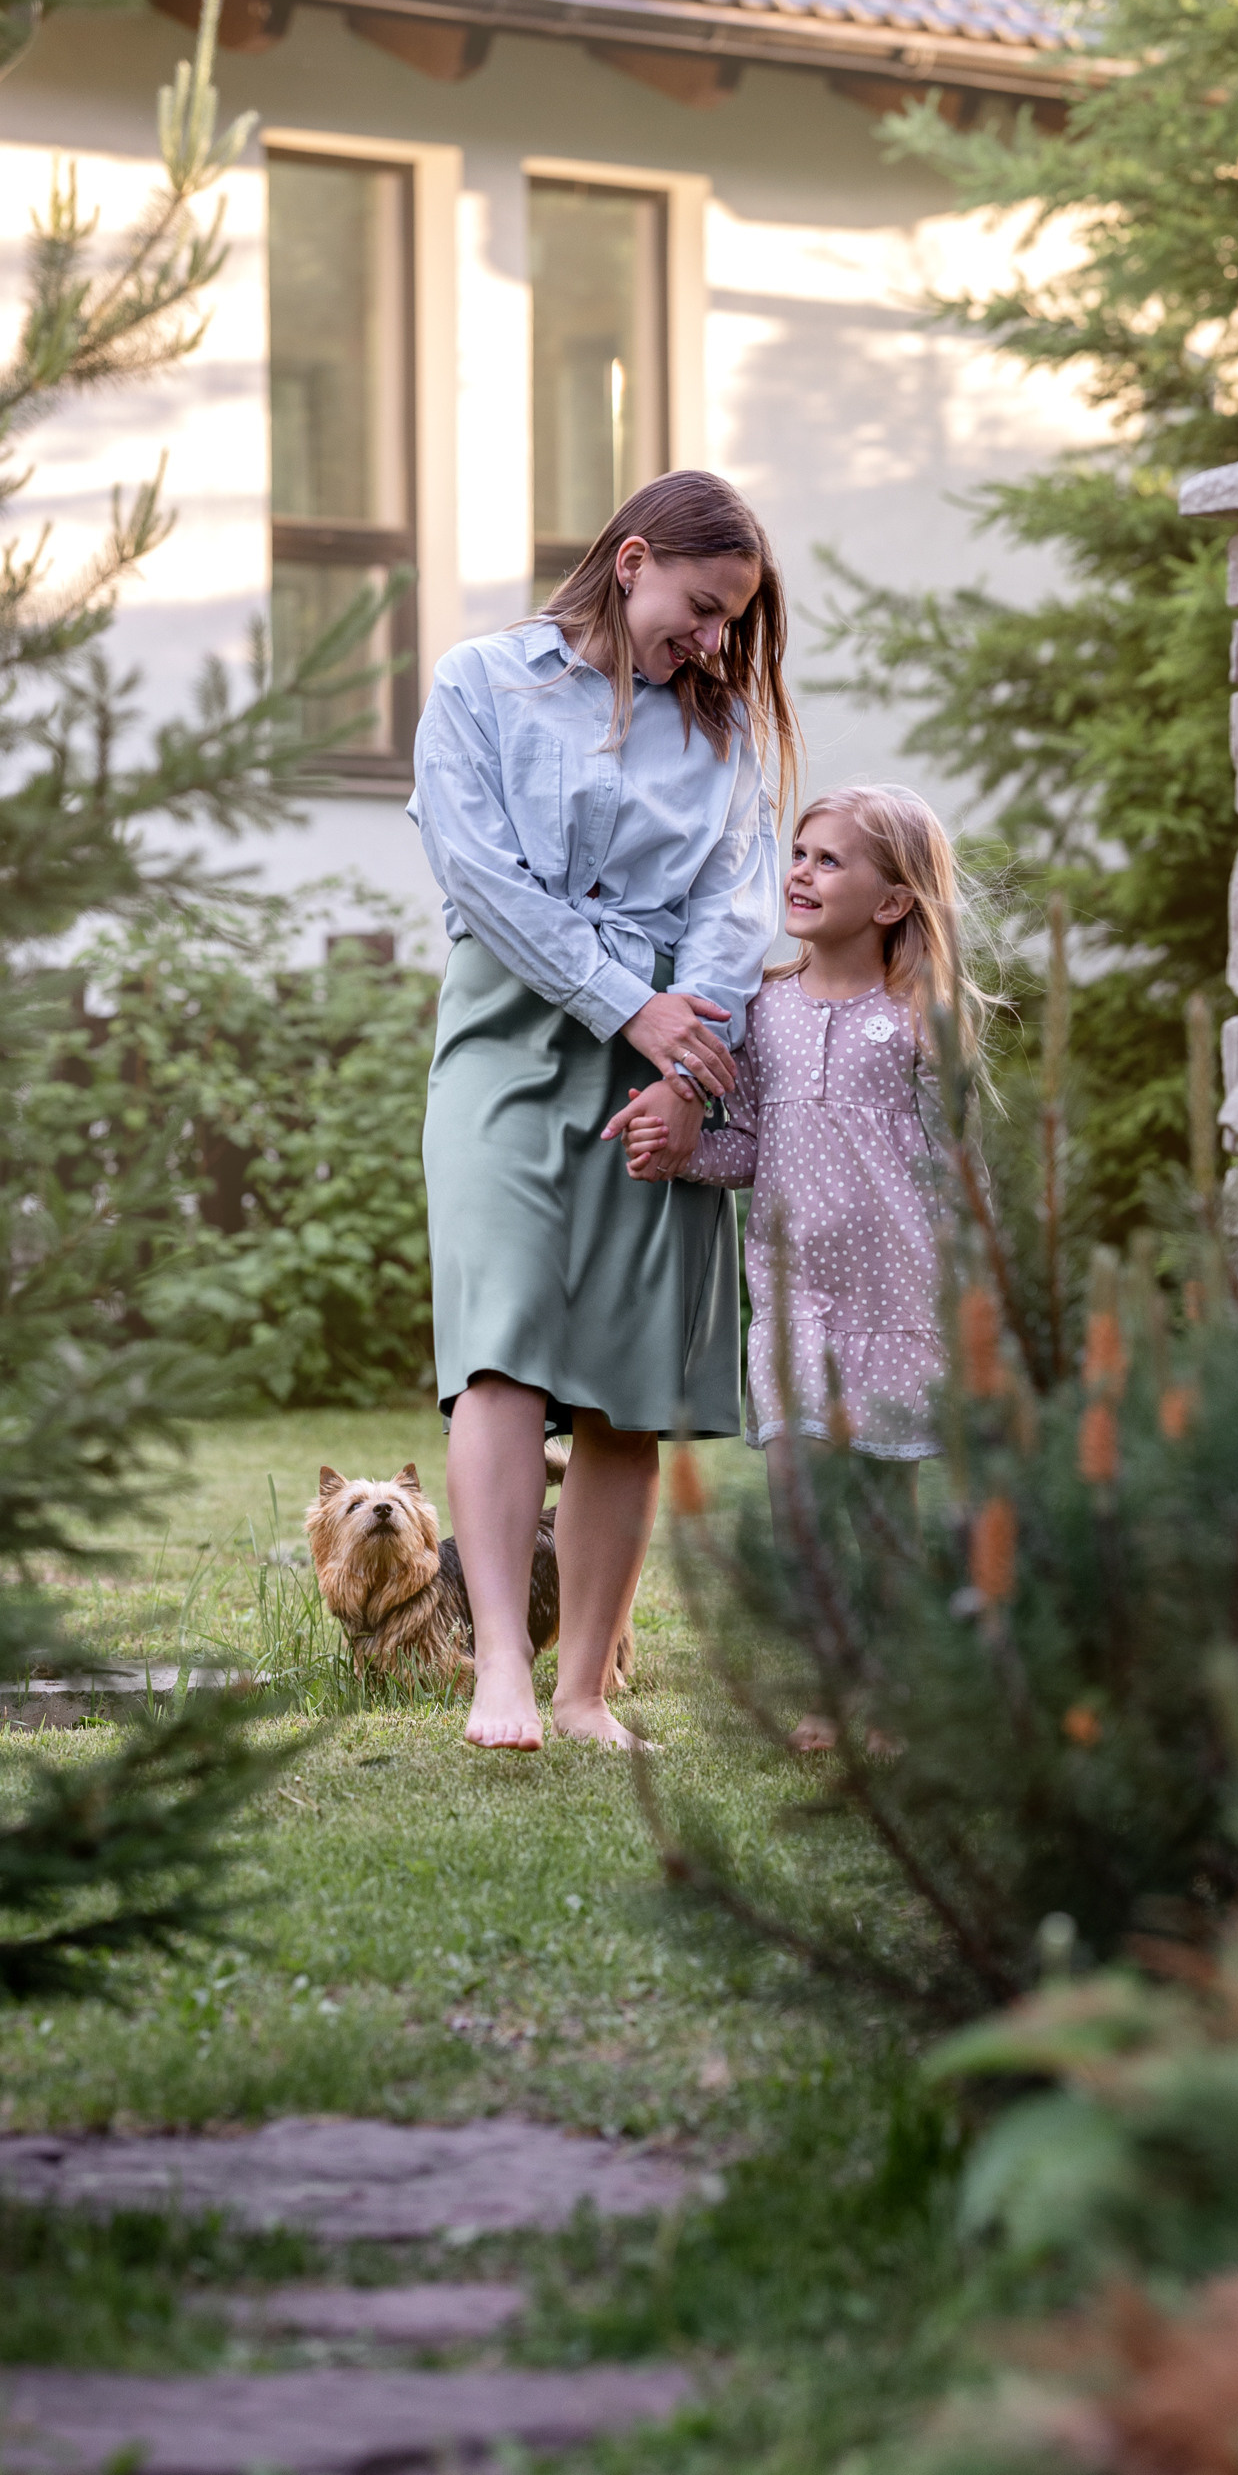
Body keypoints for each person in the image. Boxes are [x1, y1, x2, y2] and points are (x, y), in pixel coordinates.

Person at [409, 470, 798, 1751]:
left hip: (673, 1044)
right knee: (501, 1335)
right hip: (512, 1030)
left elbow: (739, 909)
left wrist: (686, 1071)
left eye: (733, 618)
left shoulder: (726, 730)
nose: (717, 641)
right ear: (630, 561)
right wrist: (622, 1006)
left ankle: (581, 1691)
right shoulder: (479, 682)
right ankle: (499, 1681)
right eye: (701, 606)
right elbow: (476, 868)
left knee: (632, 1373)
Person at [607, 784, 992, 1749]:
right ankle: (833, 1687)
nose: (802, 873)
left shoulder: (919, 1020)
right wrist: (678, 1153)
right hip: (791, 1299)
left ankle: (901, 1694)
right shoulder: (761, 1011)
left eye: (830, 860)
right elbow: (756, 1147)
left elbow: (959, 1168)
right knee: (799, 1501)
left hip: (899, 1301)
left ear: (894, 900)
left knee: (882, 1506)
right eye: (801, 855)